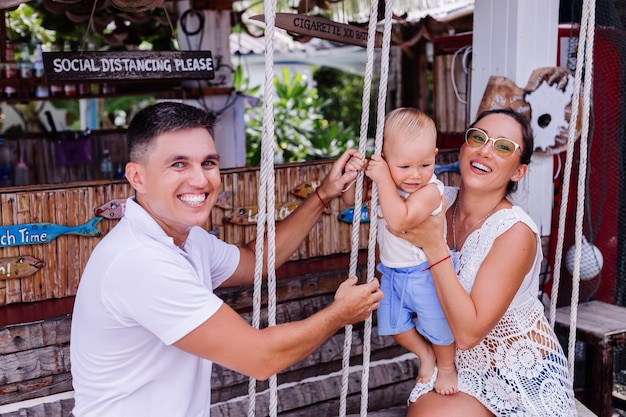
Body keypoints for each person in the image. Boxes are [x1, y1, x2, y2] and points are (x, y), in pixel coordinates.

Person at [69, 101, 383, 417]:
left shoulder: (186, 239)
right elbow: (261, 358)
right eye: (178, 164)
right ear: (137, 177)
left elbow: (254, 261)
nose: (201, 180)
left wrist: (322, 195)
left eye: (208, 163)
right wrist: (339, 314)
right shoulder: (140, 260)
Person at [392, 108, 576, 416]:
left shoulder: (514, 232)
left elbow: (467, 334)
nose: (485, 150)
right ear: (464, 149)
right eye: (477, 138)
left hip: (522, 379)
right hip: (458, 372)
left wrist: (434, 246)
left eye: (503, 147)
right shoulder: (435, 201)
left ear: (519, 171)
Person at [342, 107, 457, 395]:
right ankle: (425, 354)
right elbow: (349, 202)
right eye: (404, 167)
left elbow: (401, 219)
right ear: (385, 159)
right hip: (391, 273)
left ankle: (445, 366)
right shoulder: (385, 185)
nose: (415, 175)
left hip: (425, 273)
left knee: (439, 328)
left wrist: (383, 180)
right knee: (394, 325)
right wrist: (355, 176)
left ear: (435, 154)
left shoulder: (431, 190)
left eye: (425, 164)